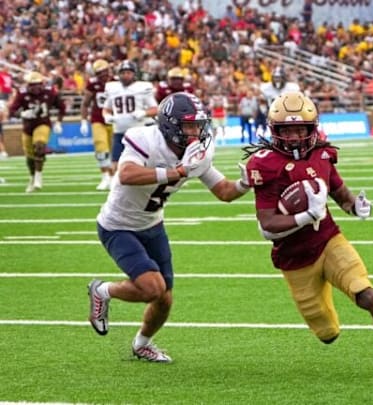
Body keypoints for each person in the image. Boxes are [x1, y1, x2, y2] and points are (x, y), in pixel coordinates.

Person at [243, 92, 373, 379]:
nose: (294, 137)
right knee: (327, 332)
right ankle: (325, 295)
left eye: (300, 130)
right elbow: (267, 224)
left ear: (312, 129)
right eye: (287, 130)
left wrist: (354, 206)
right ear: (275, 131)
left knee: (365, 293)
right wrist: (307, 216)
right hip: (295, 259)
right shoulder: (265, 165)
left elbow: (340, 194)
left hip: (329, 240)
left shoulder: (322, 154)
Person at [87, 92, 251, 362]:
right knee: (152, 287)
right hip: (118, 226)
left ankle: (142, 344)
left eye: (198, 125)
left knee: (164, 299)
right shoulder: (146, 140)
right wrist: (176, 172)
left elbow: (223, 191)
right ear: (169, 125)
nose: (196, 131)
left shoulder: (197, 151)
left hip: (153, 224)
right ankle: (102, 291)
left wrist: (244, 184)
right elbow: (126, 174)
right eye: (189, 125)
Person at [7, 71, 65, 193]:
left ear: (42, 84)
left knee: (39, 145)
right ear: (28, 85)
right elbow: (12, 111)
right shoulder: (22, 93)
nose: (35, 87)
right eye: (32, 85)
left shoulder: (50, 92)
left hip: (43, 123)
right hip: (27, 127)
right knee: (30, 156)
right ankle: (32, 176)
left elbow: (61, 106)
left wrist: (59, 122)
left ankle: (38, 176)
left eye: (37, 84)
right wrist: (22, 113)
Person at [103, 60, 158, 175]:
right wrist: (107, 116)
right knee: (115, 164)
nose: (125, 75)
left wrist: (143, 113)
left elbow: (155, 109)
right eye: (123, 73)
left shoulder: (142, 88)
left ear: (134, 74)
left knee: (142, 163)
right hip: (119, 132)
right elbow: (106, 108)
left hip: (137, 133)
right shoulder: (112, 88)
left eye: (128, 72)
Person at [80, 59, 114, 190]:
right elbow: (85, 103)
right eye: (99, 73)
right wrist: (83, 120)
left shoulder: (117, 81)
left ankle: (114, 176)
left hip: (114, 120)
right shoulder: (93, 84)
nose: (103, 75)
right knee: (101, 146)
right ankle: (105, 175)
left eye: (104, 71)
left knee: (114, 151)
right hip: (98, 119)